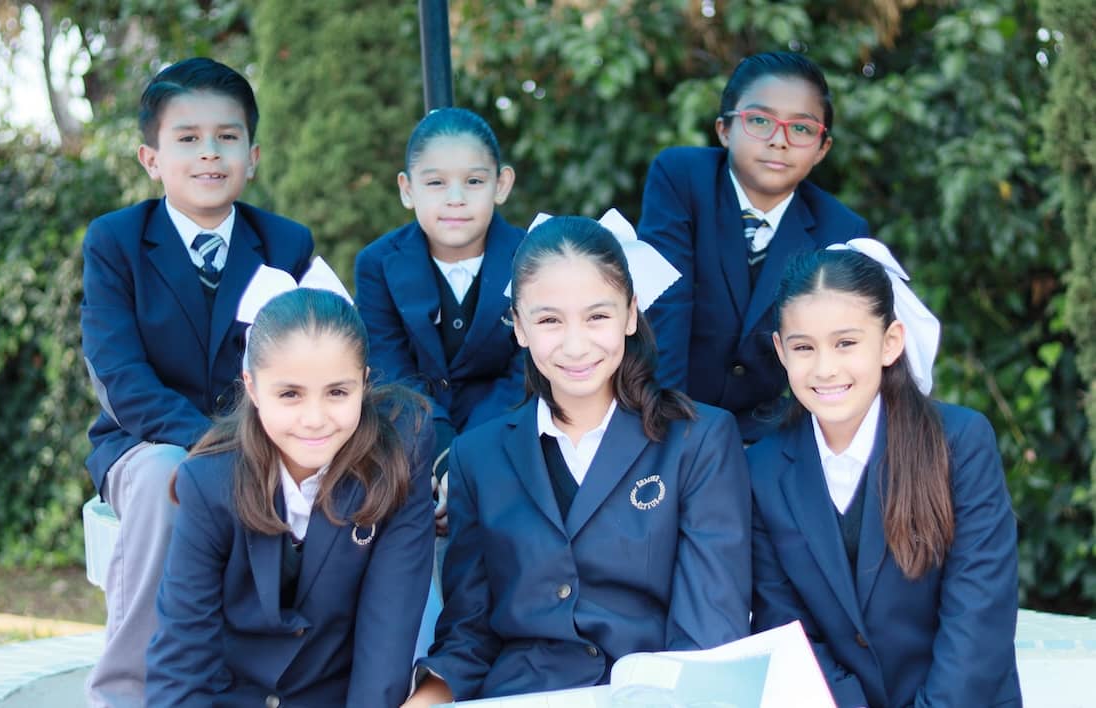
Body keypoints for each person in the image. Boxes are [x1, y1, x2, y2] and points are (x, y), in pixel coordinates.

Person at [403, 211, 751, 705]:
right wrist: (426, 696)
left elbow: (709, 631)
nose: (574, 344)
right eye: (548, 320)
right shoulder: (475, 457)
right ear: (518, 326)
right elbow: (469, 634)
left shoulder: (699, 442)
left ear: (630, 314)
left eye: (597, 316)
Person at [80, 57, 313, 707]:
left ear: (254, 154)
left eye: (227, 137)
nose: (209, 153)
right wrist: (212, 443)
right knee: (165, 477)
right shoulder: (117, 242)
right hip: (145, 441)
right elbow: (119, 375)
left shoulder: (285, 243)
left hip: (263, 438)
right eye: (187, 138)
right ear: (151, 158)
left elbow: (306, 358)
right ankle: (127, 690)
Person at [146, 264, 435, 706]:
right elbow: (182, 658)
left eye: (338, 392)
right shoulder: (209, 480)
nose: (315, 418)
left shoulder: (399, 455)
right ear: (253, 387)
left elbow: (387, 638)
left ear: (364, 383)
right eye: (290, 394)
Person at [749, 241, 1021, 707]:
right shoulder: (762, 468)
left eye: (846, 343)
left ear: (890, 342)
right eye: (803, 347)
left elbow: (977, 617)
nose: (826, 368)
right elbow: (789, 633)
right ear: (780, 350)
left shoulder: (959, 443)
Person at [638, 51, 869, 442]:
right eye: (760, 121)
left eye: (801, 129)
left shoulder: (841, 229)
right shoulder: (681, 178)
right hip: (661, 408)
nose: (779, 141)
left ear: (822, 148)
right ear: (725, 129)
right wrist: (668, 427)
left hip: (769, 428)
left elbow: (825, 349)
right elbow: (666, 304)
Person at [354, 107, 525, 488]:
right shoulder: (377, 264)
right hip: (411, 444)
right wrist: (443, 456)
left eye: (474, 181)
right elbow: (389, 368)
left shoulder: (531, 258)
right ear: (407, 189)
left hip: (510, 440)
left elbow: (527, 371)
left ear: (502, 184)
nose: (455, 198)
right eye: (435, 183)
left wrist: (471, 458)